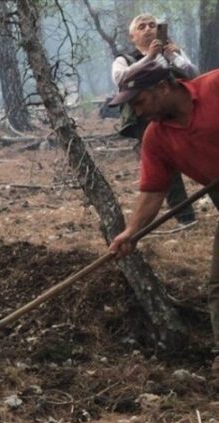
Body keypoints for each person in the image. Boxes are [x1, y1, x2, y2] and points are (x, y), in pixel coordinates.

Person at [106, 62, 219, 366]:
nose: (138, 112)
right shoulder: (156, 138)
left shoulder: (214, 87)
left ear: (163, 88)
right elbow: (154, 190)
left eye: (140, 102)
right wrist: (131, 232)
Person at [112, 13, 199, 230]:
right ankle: (185, 216)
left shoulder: (171, 51)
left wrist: (176, 56)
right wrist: (149, 58)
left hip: (179, 114)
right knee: (164, 165)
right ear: (132, 36)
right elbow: (121, 78)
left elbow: (193, 75)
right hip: (146, 119)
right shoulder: (124, 59)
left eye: (152, 25)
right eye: (142, 26)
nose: (149, 29)